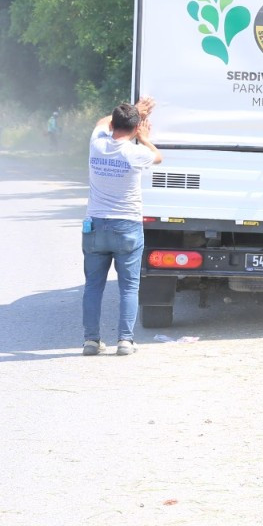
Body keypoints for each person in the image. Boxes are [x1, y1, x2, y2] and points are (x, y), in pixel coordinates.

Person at [82, 98, 162, 356]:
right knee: (128, 287)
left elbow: (100, 122)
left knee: (93, 286)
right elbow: (158, 157)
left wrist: (134, 110)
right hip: (127, 226)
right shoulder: (135, 153)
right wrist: (144, 137)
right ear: (135, 128)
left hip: (95, 225)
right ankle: (125, 341)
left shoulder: (97, 144)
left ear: (113, 124)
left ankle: (91, 341)